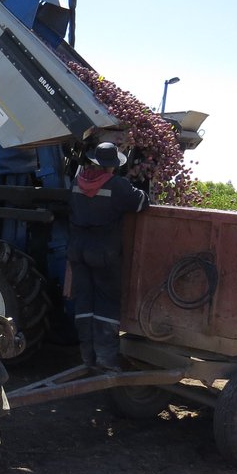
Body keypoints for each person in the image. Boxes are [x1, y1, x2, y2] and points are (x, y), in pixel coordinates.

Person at [66, 141, 148, 371]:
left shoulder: (76, 183)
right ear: (113, 166)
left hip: (78, 252)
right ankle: (106, 359)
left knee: (84, 302)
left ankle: (87, 357)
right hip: (103, 254)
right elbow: (142, 202)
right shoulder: (118, 186)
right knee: (106, 305)